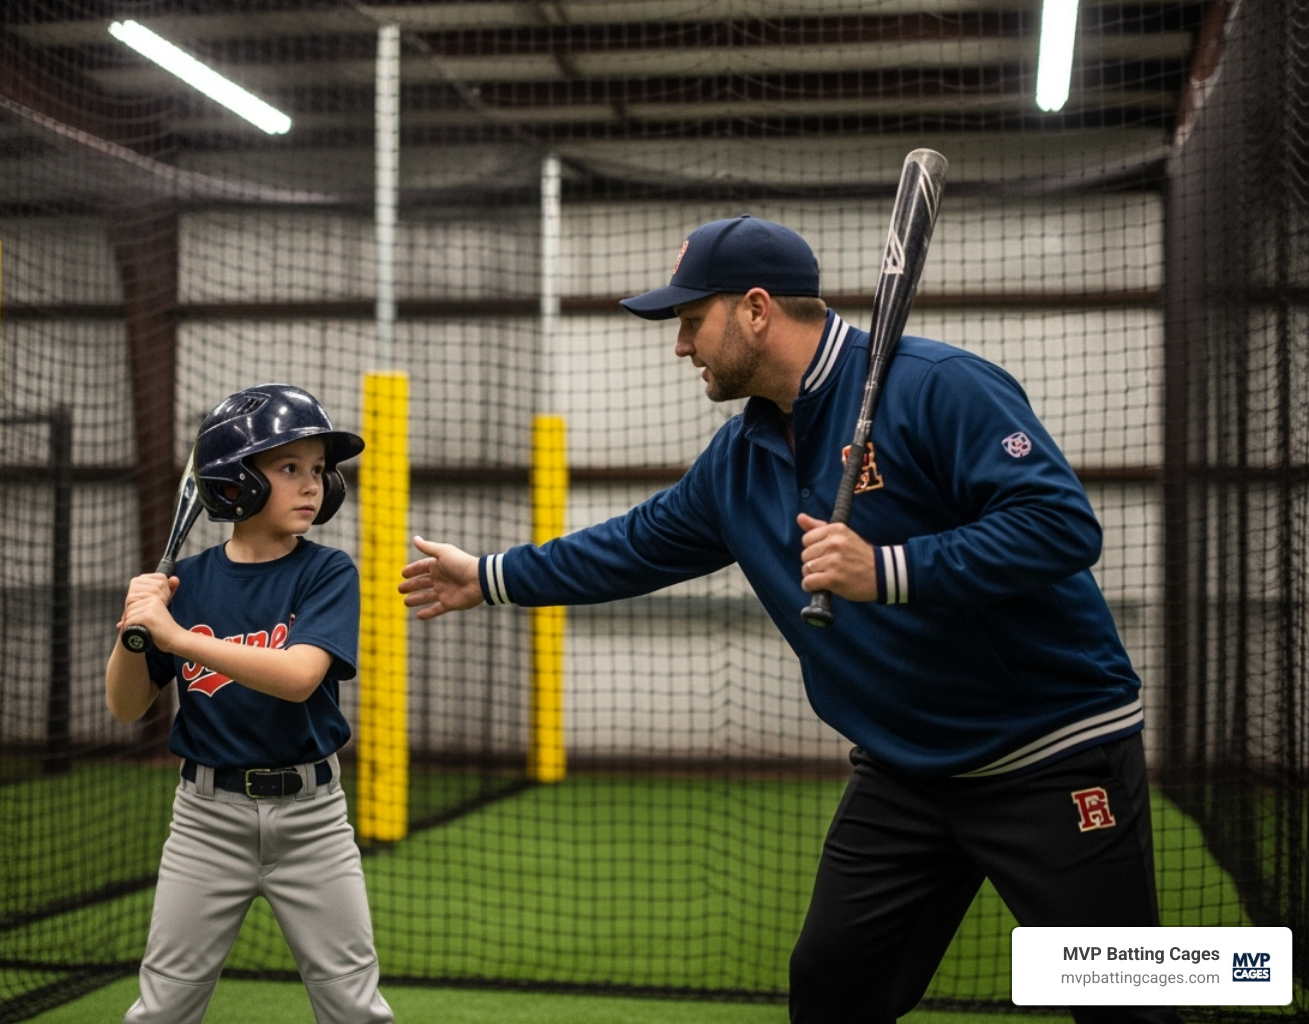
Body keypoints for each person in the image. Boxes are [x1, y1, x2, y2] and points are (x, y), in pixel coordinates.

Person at [398, 215, 1180, 1024]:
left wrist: (888, 571)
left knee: (1124, 999)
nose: (680, 346)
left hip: (1049, 753)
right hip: (906, 772)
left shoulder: (939, 385)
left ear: (756, 310)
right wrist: (489, 577)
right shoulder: (740, 459)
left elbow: (1061, 527)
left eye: (691, 321)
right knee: (833, 987)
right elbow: (633, 545)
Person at [108, 383, 394, 1024]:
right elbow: (127, 706)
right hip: (206, 821)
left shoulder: (326, 572)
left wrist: (177, 637)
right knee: (162, 1007)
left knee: (354, 1007)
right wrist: (136, 628)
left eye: (318, 469)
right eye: (289, 466)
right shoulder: (191, 582)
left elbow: (297, 677)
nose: (312, 483)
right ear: (235, 482)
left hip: (312, 820)